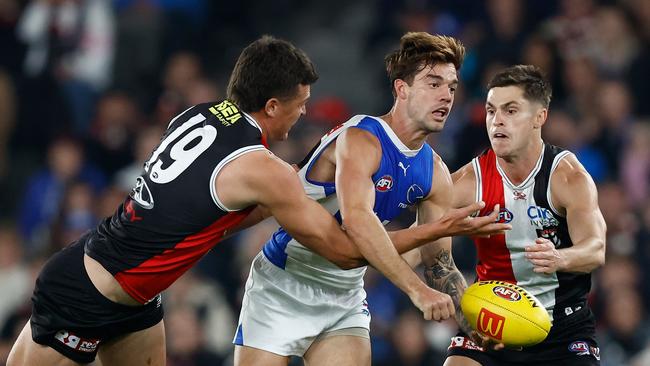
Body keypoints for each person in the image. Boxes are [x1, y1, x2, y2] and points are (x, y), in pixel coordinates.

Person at [7, 35, 505, 366]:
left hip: (135, 297)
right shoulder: (266, 168)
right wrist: (437, 233)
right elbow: (348, 246)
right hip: (87, 293)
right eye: (299, 104)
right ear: (271, 105)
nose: (304, 115)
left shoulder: (199, 115)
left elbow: (211, 210)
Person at [233, 32, 509, 366]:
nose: (446, 96)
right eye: (434, 83)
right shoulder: (361, 139)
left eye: (452, 87)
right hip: (283, 285)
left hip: (344, 296)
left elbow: (438, 261)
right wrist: (417, 290)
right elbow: (357, 224)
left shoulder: (435, 172)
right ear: (401, 89)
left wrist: (477, 329)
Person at [439, 65, 606, 365]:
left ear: (539, 118)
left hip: (562, 330)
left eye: (511, 110)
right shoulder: (467, 182)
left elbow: (596, 249)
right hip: (491, 327)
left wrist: (560, 258)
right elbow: (424, 241)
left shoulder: (567, 177)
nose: (497, 120)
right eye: (491, 111)